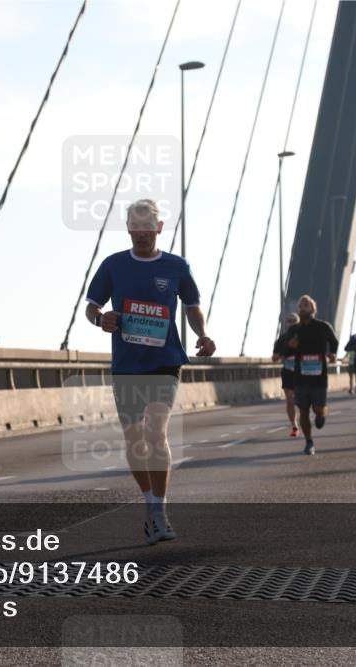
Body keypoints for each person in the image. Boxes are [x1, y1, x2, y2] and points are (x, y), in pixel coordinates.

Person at [86, 199, 216, 545]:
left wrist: (202, 334)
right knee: (134, 437)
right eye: (136, 227)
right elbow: (92, 307)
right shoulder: (113, 265)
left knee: (156, 432)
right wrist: (102, 319)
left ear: (159, 228)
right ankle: (147, 501)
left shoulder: (176, 266)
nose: (142, 233)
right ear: (128, 228)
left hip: (165, 361)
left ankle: (159, 510)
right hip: (127, 364)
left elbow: (192, 306)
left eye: (149, 227)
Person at [283, 294, 339, 455]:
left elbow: (333, 342)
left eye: (306, 305)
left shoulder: (323, 326)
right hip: (300, 376)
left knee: (318, 408)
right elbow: (286, 352)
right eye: (300, 305)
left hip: (319, 375)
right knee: (303, 410)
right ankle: (309, 442)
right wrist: (291, 346)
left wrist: (332, 353)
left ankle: (321, 414)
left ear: (313, 309)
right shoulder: (294, 330)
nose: (303, 307)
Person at [272, 312, 301, 437]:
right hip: (288, 371)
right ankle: (294, 425)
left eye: (294, 320)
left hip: (303, 372)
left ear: (298, 322)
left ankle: (304, 418)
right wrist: (280, 354)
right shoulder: (282, 339)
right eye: (289, 321)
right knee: (290, 400)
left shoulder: (305, 336)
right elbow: (274, 358)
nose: (291, 323)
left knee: (302, 400)